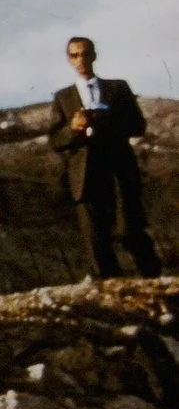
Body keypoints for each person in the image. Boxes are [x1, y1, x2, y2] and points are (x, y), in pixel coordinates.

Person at [48, 35, 160, 279]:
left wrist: (103, 120)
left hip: (119, 169)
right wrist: (74, 129)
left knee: (131, 229)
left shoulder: (118, 88)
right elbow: (55, 140)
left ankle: (154, 281)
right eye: (75, 55)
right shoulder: (63, 97)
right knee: (95, 238)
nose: (81, 60)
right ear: (69, 60)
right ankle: (109, 290)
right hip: (85, 175)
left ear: (94, 56)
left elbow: (138, 125)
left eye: (86, 54)